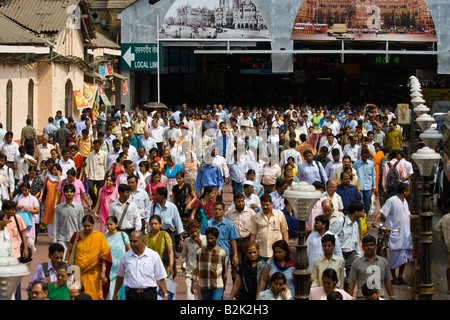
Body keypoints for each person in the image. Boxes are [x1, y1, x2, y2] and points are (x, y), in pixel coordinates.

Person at [372, 183, 418, 285]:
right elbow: (382, 211)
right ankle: (393, 277)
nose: (409, 192)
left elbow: (408, 215)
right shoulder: (392, 200)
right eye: (408, 190)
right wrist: (375, 220)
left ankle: (400, 276)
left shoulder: (405, 201)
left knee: (405, 255)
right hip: (395, 233)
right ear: (404, 191)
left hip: (405, 234)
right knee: (394, 256)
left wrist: (418, 217)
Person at [66, 215, 112, 300]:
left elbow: (104, 256)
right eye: (85, 226)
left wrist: (103, 271)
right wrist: (66, 264)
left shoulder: (99, 236)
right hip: (77, 273)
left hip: (94, 273)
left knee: (95, 295)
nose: (87, 228)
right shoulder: (77, 235)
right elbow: (69, 251)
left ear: (93, 225)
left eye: (89, 226)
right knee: (77, 295)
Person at [114, 230, 169, 300]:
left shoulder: (153, 256)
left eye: (135, 241)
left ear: (143, 241)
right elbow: (120, 276)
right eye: (131, 241)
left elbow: (160, 278)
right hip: (131, 294)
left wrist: (165, 294)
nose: (132, 244)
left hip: (148, 295)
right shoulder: (125, 256)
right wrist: (115, 293)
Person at [346, 235, 395, 300]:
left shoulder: (383, 261)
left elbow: (388, 280)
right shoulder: (356, 263)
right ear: (362, 247)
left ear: (375, 246)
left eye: (371, 245)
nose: (369, 247)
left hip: (379, 296)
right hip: (362, 297)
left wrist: (392, 296)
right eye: (366, 245)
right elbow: (351, 283)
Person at [150, 186, 185, 276]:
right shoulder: (153, 207)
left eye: (156, 195)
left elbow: (178, 223)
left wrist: (181, 239)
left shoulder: (172, 207)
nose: (154, 197)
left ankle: (171, 274)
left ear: (162, 196)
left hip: (169, 234)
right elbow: (151, 220)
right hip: (156, 234)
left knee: (170, 255)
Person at [330, 200, 365, 285]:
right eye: (362, 211)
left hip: (350, 257)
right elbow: (330, 238)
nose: (364, 214)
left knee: (349, 282)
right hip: (339, 256)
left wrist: (359, 258)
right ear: (356, 212)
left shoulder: (355, 224)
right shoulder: (340, 222)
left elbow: (356, 243)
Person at [192, 227, 228, 300]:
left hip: (217, 285)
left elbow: (224, 271)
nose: (210, 240)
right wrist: (193, 282)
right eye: (208, 238)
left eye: (212, 238)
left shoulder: (222, 253)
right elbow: (196, 268)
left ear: (217, 238)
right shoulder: (200, 252)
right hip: (204, 285)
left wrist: (224, 285)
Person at [249, 194, 289, 260]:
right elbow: (253, 234)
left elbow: (284, 232)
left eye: (267, 205)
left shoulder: (280, 215)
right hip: (261, 253)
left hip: (277, 253)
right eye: (263, 205)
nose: (265, 207)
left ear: (271, 204)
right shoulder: (256, 217)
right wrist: (251, 250)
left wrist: (286, 249)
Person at [52, 183, 85, 254]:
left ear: (74, 193)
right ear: (64, 193)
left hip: (75, 239)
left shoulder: (79, 208)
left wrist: (82, 238)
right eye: (67, 192)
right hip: (62, 238)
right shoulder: (59, 208)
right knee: (62, 259)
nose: (69, 193)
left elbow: (81, 224)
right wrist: (54, 239)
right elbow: (56, 223)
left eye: (71, 192)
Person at [104, 216, 131, 300]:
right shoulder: (104, 237)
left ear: (116, 224)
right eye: (107, 224)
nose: (109, 226)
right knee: (110, 293)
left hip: (122, 268)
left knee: (122, 292)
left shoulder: (123, 235)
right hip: (109, 269)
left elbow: (129, 250)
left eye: (111, 224)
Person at [14, 182, 40, 254]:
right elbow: (11, 206)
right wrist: (17, 207)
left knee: (30, 242)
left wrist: (29, 210)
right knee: (19, 241)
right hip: (19, 221)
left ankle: (29, 255)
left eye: (26, 190)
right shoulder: (18, 197)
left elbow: (37, 211)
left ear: (29, 189)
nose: (24, 192)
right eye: (23, 190)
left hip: (29, 222)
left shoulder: (33, 199)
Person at [40, 163, 62, 242]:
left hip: (58, 199)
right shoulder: (48, 177)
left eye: (56, 170)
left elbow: (61, 187)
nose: (54, 171)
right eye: (53, 170)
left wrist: (59, 177)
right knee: (50, 218)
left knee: (58, 218)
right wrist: (40, 196)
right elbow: (43, 188)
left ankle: (58, 237)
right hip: (49, 198)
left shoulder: (62, 178)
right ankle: (51, 237)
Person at [353, 148, 376, 215]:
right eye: (364, 156)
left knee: (367, 203)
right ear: (361, 155)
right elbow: (353, 174)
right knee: (360, 202)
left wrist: (374, 186)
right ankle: (360, 216)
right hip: (359, 186)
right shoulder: (356, 164)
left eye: (366, 156)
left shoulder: (371, 164)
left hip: (368, 186)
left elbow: (373, 175)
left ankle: (365, 215)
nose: (365, 158)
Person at [85, 140, 107, 210]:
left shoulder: (104, 154)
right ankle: (95, 201)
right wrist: (87, 175)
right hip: (92, 175)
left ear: (100, 146)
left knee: (99, 192)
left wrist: (105, 176)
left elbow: (105, 165)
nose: (96, 148)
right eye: (95, 146)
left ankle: (98, 207)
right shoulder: (91, 154)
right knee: (90, 189)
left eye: (97, 146)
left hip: (101, 176)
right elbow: (88, 165)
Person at [435, 213, 450, 294]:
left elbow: (437, 228)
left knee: (449, 267)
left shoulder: (445, 217)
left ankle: (449, 288)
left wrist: (442, 236)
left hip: (448, 246)